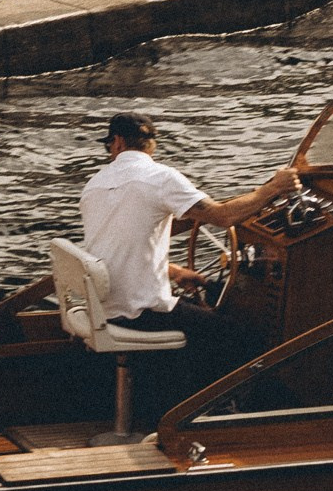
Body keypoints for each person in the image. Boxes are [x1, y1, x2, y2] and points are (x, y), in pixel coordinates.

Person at [81, 111, 298, 358]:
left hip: (103, 308)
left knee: (202, 317)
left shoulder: (94, 184)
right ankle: (222, 396)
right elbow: (223, 217)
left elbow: (115, 245)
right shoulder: (160, 178)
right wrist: (275, 187)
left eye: (109, 146)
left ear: (117, 142)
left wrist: (172, 272)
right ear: (152, 144)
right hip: (140, 313)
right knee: (244, 335)